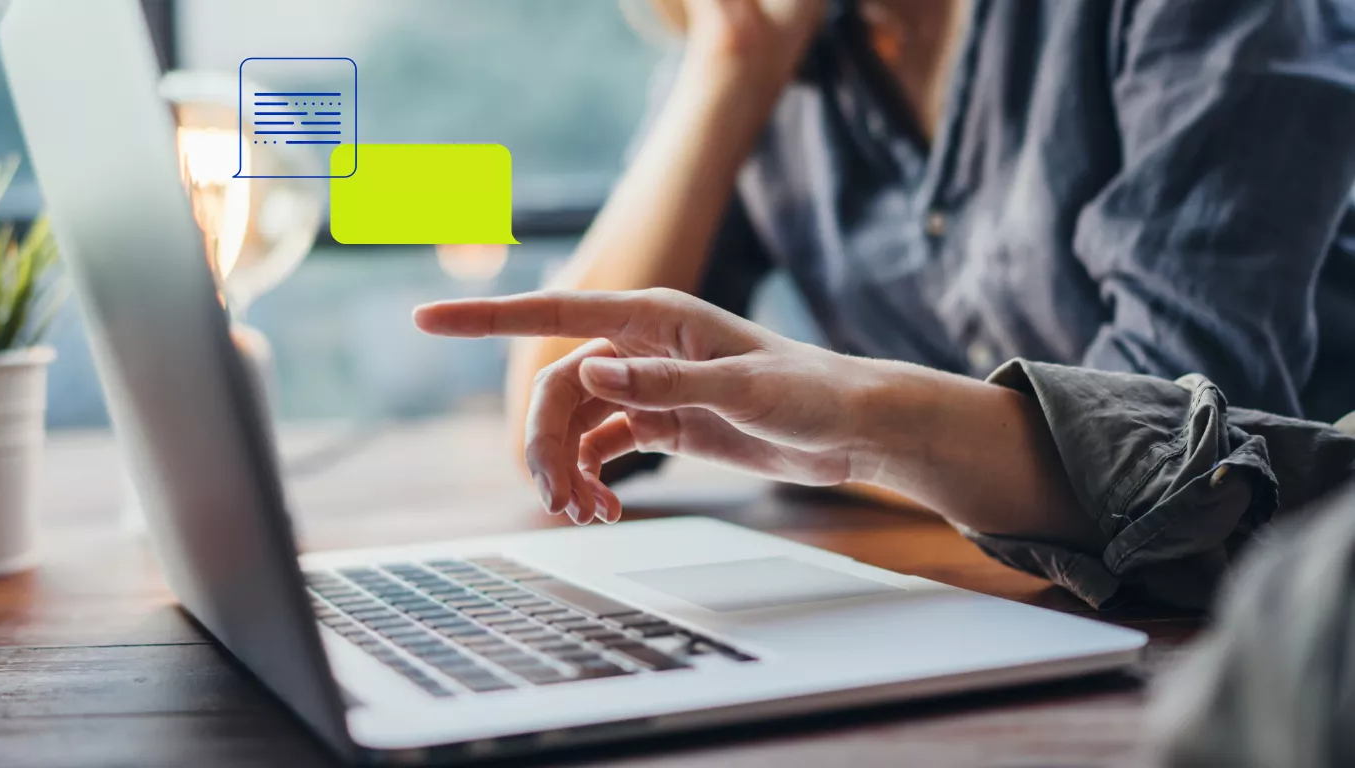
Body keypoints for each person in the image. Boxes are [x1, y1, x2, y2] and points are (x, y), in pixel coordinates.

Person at [507, 0, 1355, 492]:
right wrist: (728, 60)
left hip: (1284, 615)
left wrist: (863, 429)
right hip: (1006, 597)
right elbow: (566, 423)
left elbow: (1174, 449)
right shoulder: (783, 45)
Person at [416, 289, 1355, 610]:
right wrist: (733, 63)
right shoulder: (806, 79)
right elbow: (561, 402)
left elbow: (1187, 453)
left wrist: (881, 428)